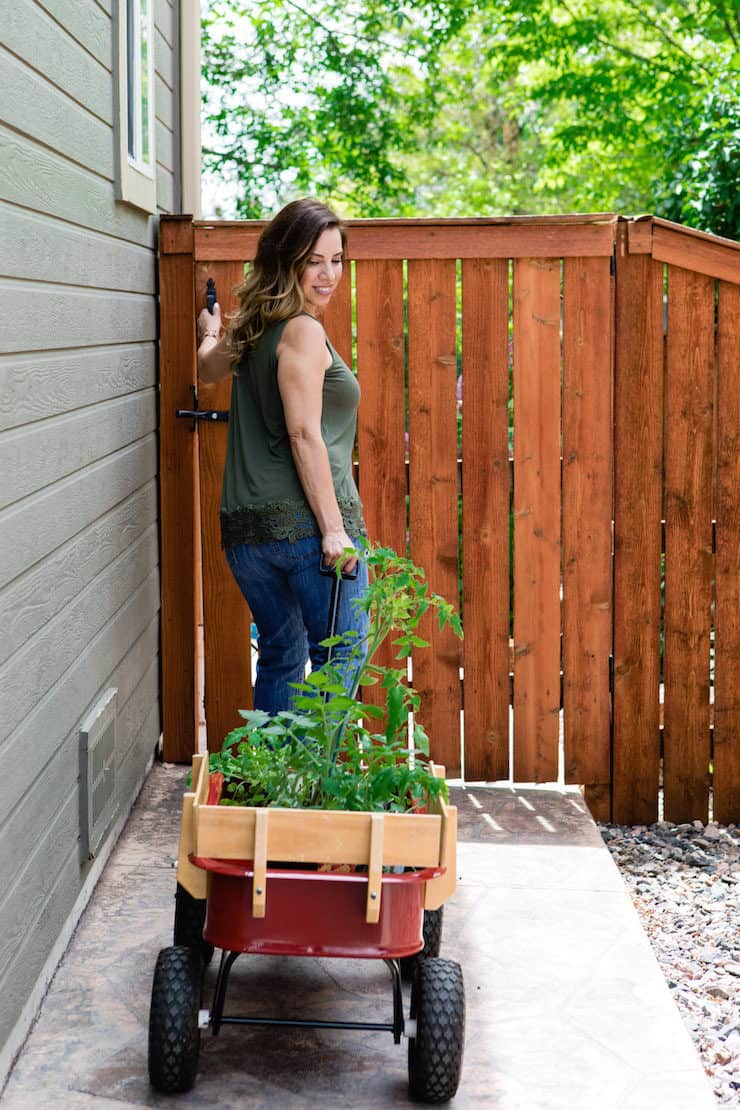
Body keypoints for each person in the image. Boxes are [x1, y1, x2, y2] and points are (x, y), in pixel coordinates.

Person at [196, 198, 369, 715]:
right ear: (286, 259)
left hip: (247, 538)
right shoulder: (302, 329)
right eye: (314, 260)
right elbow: (302, 434)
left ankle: (269, 787)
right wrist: (334, 530)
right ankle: (312, 791)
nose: (328, 274)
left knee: (280, 656)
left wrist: (210, 328)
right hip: (305, 533)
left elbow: (207, 368)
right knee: (342, 660)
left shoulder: (252, 326)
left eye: (336, 260)